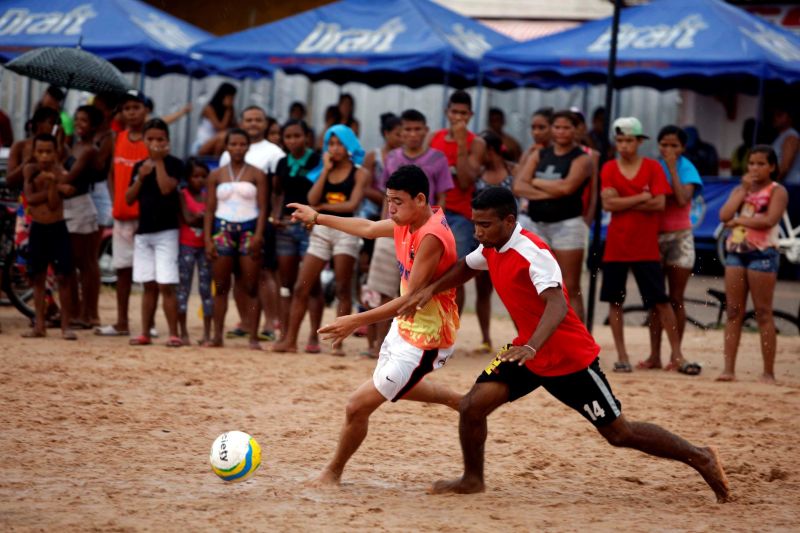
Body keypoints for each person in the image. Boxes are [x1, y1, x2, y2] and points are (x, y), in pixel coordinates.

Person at [396, 186, 730, 503]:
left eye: (485, 224)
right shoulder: (490, 247)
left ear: (509, 221)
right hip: (525, 351)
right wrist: (431, 289)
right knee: (472, 407)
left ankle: (700, 456)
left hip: (568, 358)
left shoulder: (533, 253)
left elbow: (557, 305)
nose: (478, 232)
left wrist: (534, 346)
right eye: (475, 224)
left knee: (619, 434)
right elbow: (466, 268)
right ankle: (472, 479)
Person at [289, 164, 462, 486]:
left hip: (428, 338)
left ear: (421, 199)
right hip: (405, 328)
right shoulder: (408, 220)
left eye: (397, 201)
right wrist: (318, 217)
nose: (390, 208)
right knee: (394, 386)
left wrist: (355, 320)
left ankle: (332, 473)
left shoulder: (431, 237)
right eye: (388, 200)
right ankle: (461, 402)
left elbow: (409, 300)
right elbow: (368, 228)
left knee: (356, 406)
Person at [600, 117, 697, 374]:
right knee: (615, 301)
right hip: (617, 246)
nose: (624, 145)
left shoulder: (652, 167)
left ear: (639, 142)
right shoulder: (609, 167)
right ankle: (622, 356)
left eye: (629, 140)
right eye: (620, 140)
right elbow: (608, 204)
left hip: (645, 246)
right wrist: (643, 197)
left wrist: (626, 201)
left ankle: (677, 355)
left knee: (661, 301)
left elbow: (659, 204)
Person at [360, 109, 454, 358]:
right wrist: (318, 218)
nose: (412, 134)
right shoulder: (392, 157)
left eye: (417, 129)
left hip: (420, 233)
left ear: (425, 131)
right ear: (400, 132)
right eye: (407, 129)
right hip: (395, 228)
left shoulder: (438, 159)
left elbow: (441, 199)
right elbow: (383, 204)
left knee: (413, 293)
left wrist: (351, 321)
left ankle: (416, 343)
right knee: (382, 290)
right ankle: (378, 344)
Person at [273, 125, 369, 355]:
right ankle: (290, 340)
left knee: (343, 289)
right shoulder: (322, 169)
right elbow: (311, 197)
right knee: (300, 286)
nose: (335, 149)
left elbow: (352, 205)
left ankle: (337, 344)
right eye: (331, 144)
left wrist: (322, 209)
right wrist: (325, 170)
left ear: (349, 146)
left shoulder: (360, 173)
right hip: (322, 230)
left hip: (346, 229)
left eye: (339, 144)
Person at [717, 146, 788, 384]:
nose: (755, 168)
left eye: (760, 164)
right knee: (734, 311)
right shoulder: (741, 189)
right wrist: (743, 191)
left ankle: (768, 371)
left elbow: (770, 220)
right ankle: (729, 369)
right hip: (737, 252)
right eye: (751, 164)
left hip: (763, 253)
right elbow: (723, 215)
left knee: (763, 313)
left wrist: (738, 220)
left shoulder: (777, 191)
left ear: (772, 167)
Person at [513, 110, 592, 322]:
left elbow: (567, 188)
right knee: (539, 283)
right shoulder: (540, 154)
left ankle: (579, 340)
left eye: (567, 127)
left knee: (570, 284)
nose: (561, 132)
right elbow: (519, 185)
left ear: (576, 130)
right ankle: (544, 335)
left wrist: (536, 182)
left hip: (567, 225)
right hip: (537, 224)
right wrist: (550, 190)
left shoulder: (583, 159)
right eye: (557, 127)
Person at [639, 126, 703, 370]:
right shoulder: (652, 166)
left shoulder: (687, 168)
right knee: (657, 299)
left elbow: (682, 198)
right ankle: (655, 354)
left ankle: (675, 354)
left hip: (679, 237)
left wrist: (673, 168)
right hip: (654, 236)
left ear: (683, 148)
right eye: (664, 145)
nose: (668, 150)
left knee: (676, 298)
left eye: (674, 145)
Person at [219, 106, 285, 342]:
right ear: (242, 121)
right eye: (249, 120)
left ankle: (269, 323)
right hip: (230, 222)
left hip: (259, 221)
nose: (253, 124)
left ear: (266, 123)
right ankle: (246, 321)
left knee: (264, 273)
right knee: (238, 273)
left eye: (258, 120)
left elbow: (278, 190)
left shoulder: (274, 152)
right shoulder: (228, 152)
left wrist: (272, 217)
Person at [205, 128, 268, 349]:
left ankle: (253, 337)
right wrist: (208, 239)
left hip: (249, 230)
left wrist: (259, 234)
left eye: (242, 144)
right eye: (234, 144)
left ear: (248, 146)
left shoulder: (257, 174)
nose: (238, 148)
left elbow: (263, 207)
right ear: (227, 146)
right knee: (221, 286)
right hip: (222, 230)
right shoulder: (216, 174)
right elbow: (209, 210)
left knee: (251, 286)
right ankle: (216, 336)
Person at [95, 90, 149, 338]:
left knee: (148, 273)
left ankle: (148, 324)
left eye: (136, 107)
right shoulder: (116, 139)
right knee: (122, 270)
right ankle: (122, 321)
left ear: (145, 110)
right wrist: (115, 197)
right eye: (126, 108)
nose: (131, 112)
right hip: (121, 214)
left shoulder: (152, 140)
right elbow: (108, 172)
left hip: (145, 217)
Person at [125, 119, 183, 347]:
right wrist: (141, 176)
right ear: (144, 141)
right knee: (147, 284)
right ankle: (145, 333)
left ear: (168, 141)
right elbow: (129, 198)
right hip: (144, 232)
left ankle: (173, 333)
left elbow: (167, 188)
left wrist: (158, 163)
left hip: (167, 232)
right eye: (150, 139)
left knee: (166, 283)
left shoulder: (175, 164)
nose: (155, 143)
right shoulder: (139, 167)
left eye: (160, 139)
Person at [430, 90, 486, 318]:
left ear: (470, 115)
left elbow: (465, 181)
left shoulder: (477, 143)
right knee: (427, 271)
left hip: (461, 216)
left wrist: (462, 144)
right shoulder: (433, 138)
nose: (459, 118)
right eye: (455, 112)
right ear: (447, 113)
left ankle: (451, 327)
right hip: (433, 214)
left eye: (463, 114)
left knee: (456, 275)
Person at [271, 119, 324, 354]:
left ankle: (313, 335)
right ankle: (285, 333)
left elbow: (319, 193)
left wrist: (315, 220)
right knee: (286, 284)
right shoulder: (282, 162)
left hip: (310, 227)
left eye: (296, 136)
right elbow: (278, 193)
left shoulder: (317, 160)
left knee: (311, 284)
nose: (292, 141)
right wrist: (275, 217)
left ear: (307, 137)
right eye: (288, 137)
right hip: (286, 227)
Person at [21, 134, 76, 340]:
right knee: (38, 278)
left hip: (57, 228)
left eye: (49, 151)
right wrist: (57, 188)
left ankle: (65, 326)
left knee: (63, 277)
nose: (44, 156)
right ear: (34, 152)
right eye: (40, 151)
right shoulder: (30, 172)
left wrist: (54, 185)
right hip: (38, 228)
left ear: (55, 153)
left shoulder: (59, 172)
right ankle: (39, 325)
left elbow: (53, 205)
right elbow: (31, 200)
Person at [469, 130, 516, 353]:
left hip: (509, 238)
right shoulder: (477, 173)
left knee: (513, 288)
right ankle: (486, 339)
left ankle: (521, 337)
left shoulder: (513, 170)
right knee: (483, 289)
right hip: (485, 238)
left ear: (489, 150)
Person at [63, 105, 105, 328]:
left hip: (80, 206)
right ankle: (78, 311)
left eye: (84, 121)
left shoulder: (89, 149)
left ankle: (90, 313)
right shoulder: (76, 146)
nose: (79, 124)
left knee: (85, 263)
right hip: (69, 205)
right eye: (77, 120)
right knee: (75, 262)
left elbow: (70, 177)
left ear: (95, 126)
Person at [178, 158, 213, 346]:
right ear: (188, 178)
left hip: (203, 247)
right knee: (183, 289)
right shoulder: (182, 194)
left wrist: (200, 218)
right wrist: (204, 218)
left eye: (203, 176)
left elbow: (198, 218)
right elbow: (187, 218)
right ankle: (183, 332)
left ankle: (207, 334)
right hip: (187, 246)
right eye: (195, 176)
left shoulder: (208, 196)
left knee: (206, 290)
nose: (199, 180)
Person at [193, 82, 237, 155]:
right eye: (230, 97)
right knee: (224, 135)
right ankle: (216, 161)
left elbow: (234, 126)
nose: (232, 100)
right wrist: (228, 109)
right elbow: (221, 129)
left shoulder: (229, 110)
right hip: (203, 143)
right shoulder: (209, 108)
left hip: (219, 143)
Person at [770, 107, 800, 184]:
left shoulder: (791, 136)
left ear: (790, 118)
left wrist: (770, 183)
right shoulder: (781, 136)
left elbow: (785, 166)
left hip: (790, 184)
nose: (775, 118)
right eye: (775, 115)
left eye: (779, 115)